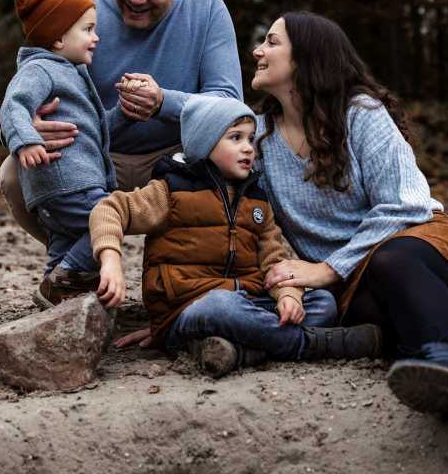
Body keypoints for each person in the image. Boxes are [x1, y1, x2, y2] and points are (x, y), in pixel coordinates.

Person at [251, 11, 448, 422]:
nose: (258, 50)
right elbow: (238, 205)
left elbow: (406, 205)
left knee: (389, 262)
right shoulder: (258, 137)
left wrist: (327, 268)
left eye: (272, 42)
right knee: (397, 320)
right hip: (353, 284)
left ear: (306, 57)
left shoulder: (359, 113)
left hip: (421, 248)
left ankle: (446, 367)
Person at [88, 95, 382, 377]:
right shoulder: (171, 191)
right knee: (220, 306)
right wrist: (111, 260)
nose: (248, 148)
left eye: (251, 139)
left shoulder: (257, 200)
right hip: (189, 306)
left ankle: (243, 351)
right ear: (205, 143)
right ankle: (309, 344)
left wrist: (288, 295)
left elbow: (274, 262)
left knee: (322, 302)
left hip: (247, 302)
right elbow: (110, 209)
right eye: (235, 137)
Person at [0, 0, 243, 251]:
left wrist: (162, 102)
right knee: (14, 172)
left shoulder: (207, 7)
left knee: (234, 152)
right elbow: (25, 87)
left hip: (175, 159)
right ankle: (77, 265)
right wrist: (28, 128)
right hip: (91, 159)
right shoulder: (79, 10)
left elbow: (229, 104)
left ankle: (190, 263)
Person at [0, 0, 118, 307]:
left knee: (65, 242)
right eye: (88, 29)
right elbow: (14, 106)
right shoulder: (41, 69)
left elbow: (97, 127)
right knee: (110, 220)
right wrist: (26, 141)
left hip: (61, 189)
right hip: (68, 182)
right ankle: (64, 280)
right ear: (58, 37)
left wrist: (126, 112)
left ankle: (55, 299)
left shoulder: (68, 71)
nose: (96, 38)